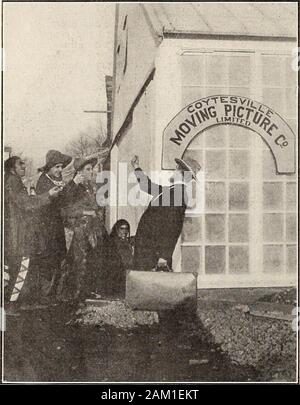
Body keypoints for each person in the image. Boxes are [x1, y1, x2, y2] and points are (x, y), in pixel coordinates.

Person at [28, 150, 85, 304]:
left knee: (57, 258)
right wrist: (73, 183)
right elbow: (61, 200)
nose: (60, 170)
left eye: (61, 167)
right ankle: (44, 296)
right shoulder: (44, 182)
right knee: (48, 260)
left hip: (55, 227)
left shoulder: (52, 180)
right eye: (57, 167)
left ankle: (52, 295)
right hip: (45, 229)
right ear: (48, 168)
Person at [4, 156, 61, 304]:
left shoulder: (10, 180)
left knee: (16, 267)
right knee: (21, 266)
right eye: (20, 164)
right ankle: (11, 304)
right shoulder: (13, 181)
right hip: (18, 233)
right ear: (12, 169)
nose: (24, 166)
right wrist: (48, 195)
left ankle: (12, 302)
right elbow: (26, 203)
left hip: (14, 232)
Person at [131, 155, 201, 271]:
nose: (174, 170)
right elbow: (147, 186)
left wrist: (164, 256)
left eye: (177, 168)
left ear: (183, 174)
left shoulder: (178, 194)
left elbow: (173, 227)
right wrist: (136, 167)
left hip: (155, 255)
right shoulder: (171, 191)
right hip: (149, 252)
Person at [59, 156, 111, 302]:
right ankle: (76, 294)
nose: (92, 172)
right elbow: (65, 209)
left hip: (92, 229)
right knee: (80, 262)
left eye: (92, 169)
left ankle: (88, 291)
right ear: (79, 172)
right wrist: (86, 212)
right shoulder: (73, 187)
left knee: (93, 261)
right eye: (88, 169)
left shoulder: (89, 187)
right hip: (80, 230)